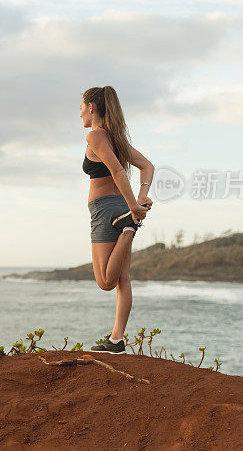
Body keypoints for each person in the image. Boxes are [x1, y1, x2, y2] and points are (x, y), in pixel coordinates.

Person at [79, 86, 154, 353]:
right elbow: (148, 166)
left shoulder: (96, 136)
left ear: (91, 107)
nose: (79, 115)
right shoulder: (116, 138)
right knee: (123, 278)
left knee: (105, 282)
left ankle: (127, 229)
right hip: (121, 208)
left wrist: (135, 206)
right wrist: (140, 200)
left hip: (105, 209)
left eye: (81, 108)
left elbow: (119, 171)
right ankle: (116, 340)